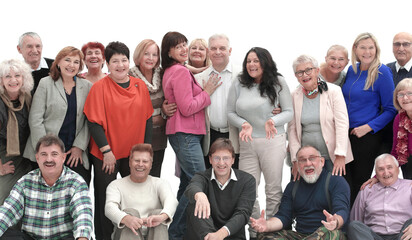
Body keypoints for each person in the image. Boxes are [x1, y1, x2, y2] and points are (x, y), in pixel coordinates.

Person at [84, 41, 154, 240]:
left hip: (133, 154)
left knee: (134, 198)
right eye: (115, 61)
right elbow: (93, 123)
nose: (120, 65)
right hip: (107, 155)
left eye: (124, 60)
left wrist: (145, 151)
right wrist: (106, 152)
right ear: (107, 63)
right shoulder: (99, 88)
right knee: (106, 200)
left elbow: (147, 119)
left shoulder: (140, 86)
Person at [227, 47, 293, 239]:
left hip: (273, 141)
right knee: (248, 191)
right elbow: (230, 113)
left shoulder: (278, 81)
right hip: (247, 143)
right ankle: (255, 231)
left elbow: (289, 111)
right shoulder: (239, 82)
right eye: (249, 61)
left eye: (256, 61)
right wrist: (244, 123)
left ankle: (272, 233)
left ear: (265, 62)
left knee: (273, 189)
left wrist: (273, 121)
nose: (252, 65)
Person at [161, 31, 220, 240]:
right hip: (185, 132)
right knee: (200, 182)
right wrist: (207, 92)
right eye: (178, 47)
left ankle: (178, 233)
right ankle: (175, 233)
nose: (184, 49)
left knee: (187, 185)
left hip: (184, 133)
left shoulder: (175, 70)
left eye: (185, 44)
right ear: (168, 51)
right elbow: (186, 108)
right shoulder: (180, 72)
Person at [0, 134, 93, 240]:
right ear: (37, 158)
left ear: (63, 158)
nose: (49, 159)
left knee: (84, 237)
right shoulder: (25, 182)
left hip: (63, 237)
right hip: (32, 238)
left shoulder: (76, 182)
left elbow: (83, 215)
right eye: (44, 154)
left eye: (54, 154)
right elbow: (8, 211)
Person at [23, 46, 92, 186]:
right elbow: (35, 119)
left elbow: (89, 120)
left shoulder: (87, 86)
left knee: (78, 190)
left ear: (80, 66)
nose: (71, 65)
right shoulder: (45, 83)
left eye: (76, 62)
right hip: (46, 148)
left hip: (74, 151)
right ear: (58, 62)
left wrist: (79, 147)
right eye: (67, 60)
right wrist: (44, 149)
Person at [341, 32, 397, 204]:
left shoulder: (382, 72)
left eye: (371, 48)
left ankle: (357, 226)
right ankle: (343, 224)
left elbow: (391, 108)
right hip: (346, 135)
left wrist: (368, 127)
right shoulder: (351, 70)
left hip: (366, 137)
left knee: (359, 184)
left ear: (376, 50)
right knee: (344, 183)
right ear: (355, 50)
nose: (367, 52)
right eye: (363, 47)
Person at [250, 145, 350, 240]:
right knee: (265, 235)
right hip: (301, 235)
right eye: (302, 160)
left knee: (329, 232)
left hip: (328, 232)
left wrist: (335, 221)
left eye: (312, 158)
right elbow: (283, 216)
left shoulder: (336, 181)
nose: (307, 163)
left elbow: (342, 210)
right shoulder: (292, 187)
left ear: (322, 161)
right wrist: (267, 225)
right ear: (297, 166)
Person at [288, 55, 353, 180]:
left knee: (335, 194)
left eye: (308, 70)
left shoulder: (334, 91)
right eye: (300, 72)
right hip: (306, 160)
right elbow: (292, 130)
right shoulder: (293, 96)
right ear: (296, 76)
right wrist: (296, 160)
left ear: (317, 71)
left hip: (333, 156)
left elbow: (342, 124)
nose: (305, 75)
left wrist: (340, 155)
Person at [184, 138, 256, 240]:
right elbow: (192, 187)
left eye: (226, 158)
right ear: (210, 159)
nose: (221, 163)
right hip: (205, 235)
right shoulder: (202, 176)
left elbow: (243, 213)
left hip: (231, 235)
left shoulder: (247, 180)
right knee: (195, 201)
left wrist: (220, 235)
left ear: (233, 160)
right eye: (217, 158)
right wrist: (200, 195)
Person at [105, 143, 178, 240]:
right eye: (136, 160)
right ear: (130, 162)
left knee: (158, 213)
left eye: (145, 161)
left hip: (153, 233)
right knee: (130, 212)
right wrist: (126, 219)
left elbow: (172, 201)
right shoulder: (116, 185)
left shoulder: (160, 183)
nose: (140, 164)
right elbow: (109, 208)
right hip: (125, 235)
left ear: (151, 164)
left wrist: (162, 216)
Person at [129, 39, 177, 177]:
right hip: (138, 138)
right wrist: (157, 117)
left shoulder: (162, 74)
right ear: (138, 55)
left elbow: (181, 69)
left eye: (154, 54)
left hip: (159, 138)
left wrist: (163, 112)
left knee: (154, 177)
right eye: (146, 54)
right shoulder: (129, 77)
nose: (151, 58)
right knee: (137, 177)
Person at [195, 34, 241, 170]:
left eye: (222, 48)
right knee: (211, 180)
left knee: (236, 177)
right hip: (210, 136)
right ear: (208, 52)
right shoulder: (198, 78)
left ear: (230, 51)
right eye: (213, 48)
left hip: (236, 135)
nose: (218, 52)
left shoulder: (242, 75)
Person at [348, 154, 412, 240]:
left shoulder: (409, 186)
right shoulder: (367, 190)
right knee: (354, 226)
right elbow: (355, 219)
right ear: (376, 173)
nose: (386, 172)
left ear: (398, 169)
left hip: (402, 235)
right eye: (381, 169)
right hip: (374, 237)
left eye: (389, 167)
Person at [0, 59, 33, 206]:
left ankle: (20, 230)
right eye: (8, 76)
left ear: (24, 78)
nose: (13, 80)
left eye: (17, 76)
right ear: (1, 80)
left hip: (25, 153)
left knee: (25, 199)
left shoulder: (27, 98)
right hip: (5, 154)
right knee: (7, 195)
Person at [380, 32, 412, 156]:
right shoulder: (385, 70)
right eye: (397, 44)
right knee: (386, 169)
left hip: (409, 133)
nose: (401, 48)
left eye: (406, 44)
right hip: (386, 132)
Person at [390, 78, 412, 179]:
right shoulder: (399, 118)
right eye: (401, 94)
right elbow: (395, 151)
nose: (405, 98)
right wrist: (377, 177)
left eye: (409, 93)